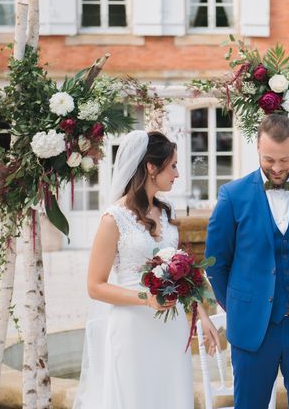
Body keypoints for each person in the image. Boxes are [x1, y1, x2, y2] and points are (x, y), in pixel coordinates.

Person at [74, 130, 220, 409]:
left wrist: (202, 314)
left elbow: (183, 273)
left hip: (172, 327)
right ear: (151, 168)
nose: (177, 174)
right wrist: (146, 299)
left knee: (172, 397)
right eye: (173, 165)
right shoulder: (113, 219)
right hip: (132, 330)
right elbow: (95, 286)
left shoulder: (167, 212)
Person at [206, 114, 289, 408]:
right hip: (252, 327)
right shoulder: (232, 196)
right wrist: (241, 304)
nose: (277, 168)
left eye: (283, 160)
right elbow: (216, 263)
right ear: (257, 148)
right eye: (269, 160)